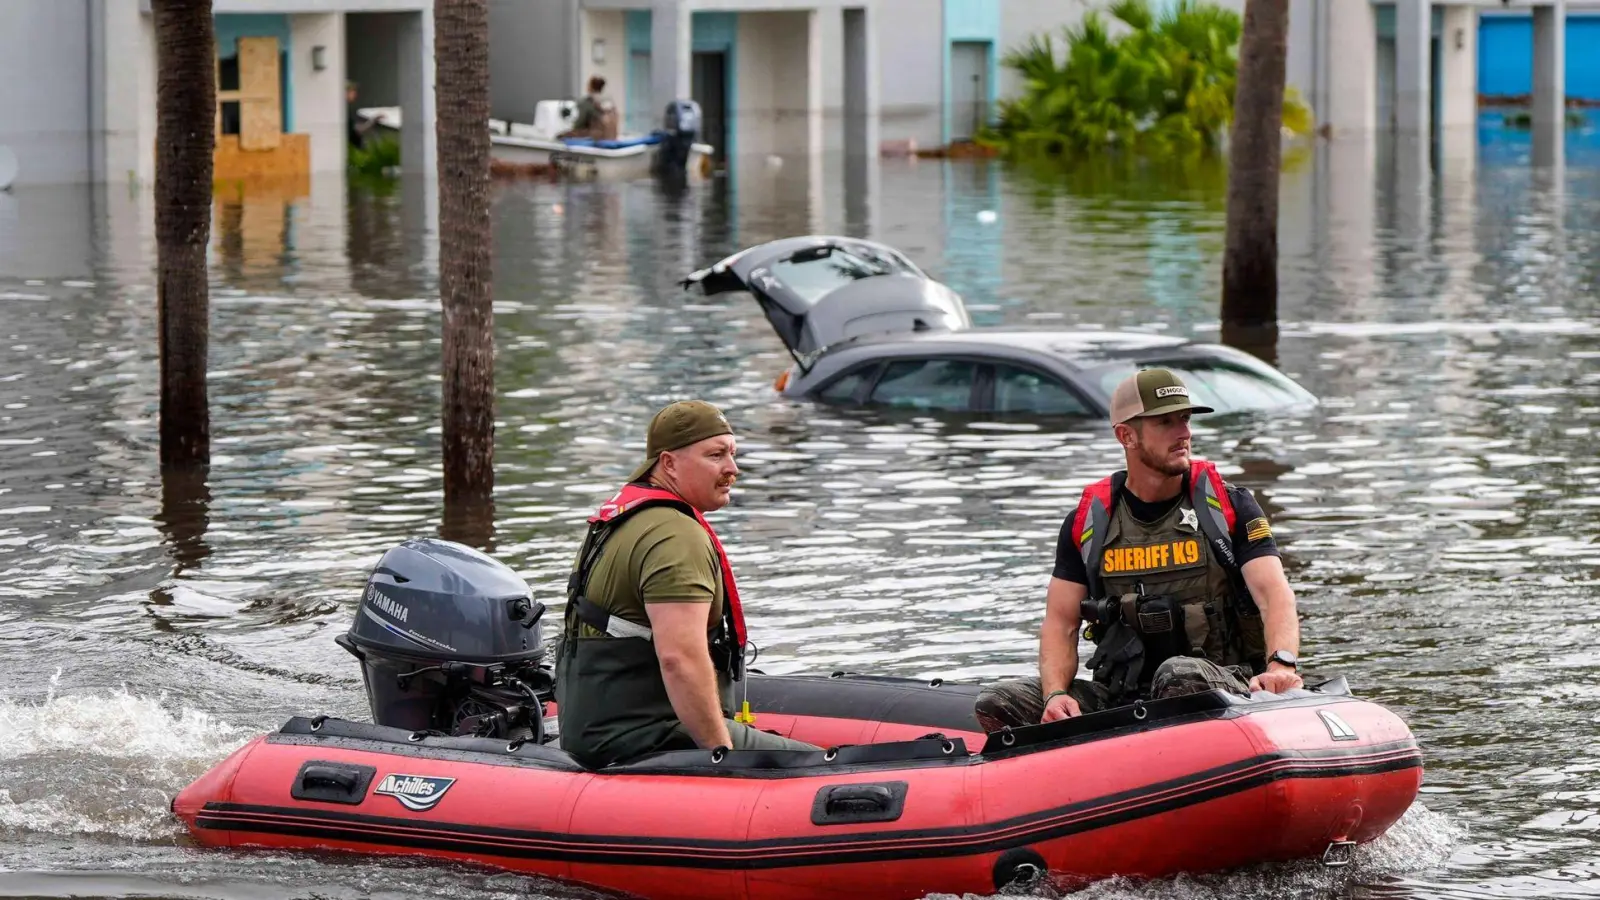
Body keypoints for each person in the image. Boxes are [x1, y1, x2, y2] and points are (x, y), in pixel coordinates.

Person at [974, 369, 1305, 731]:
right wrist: (1056, 696)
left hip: (1222, 684)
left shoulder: (1230, 506)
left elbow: (1274, 596)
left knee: (1178, 675)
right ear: (1126, 435)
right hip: (1122, 695)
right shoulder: (1088, 523)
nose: (1185, 433)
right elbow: (1061, 624)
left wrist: (1281, 666)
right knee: (999, 702)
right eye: (1166, 422)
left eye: (1185, 419)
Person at [555, 400, 819, 768]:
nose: (733, 469)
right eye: (715, 455)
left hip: (598, 730)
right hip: (647, 734)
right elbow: (679, 659)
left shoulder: (626, 519)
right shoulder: (675, 536)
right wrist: (722, 756)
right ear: (668, 464)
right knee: (823, 768)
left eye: (732, 454)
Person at [562, 76, 618, 140]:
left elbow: (579, 124)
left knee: (562, 136)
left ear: (590, 87)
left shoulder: (587, 102)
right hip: (611, 137)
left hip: (595, 138)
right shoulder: (610, 101)